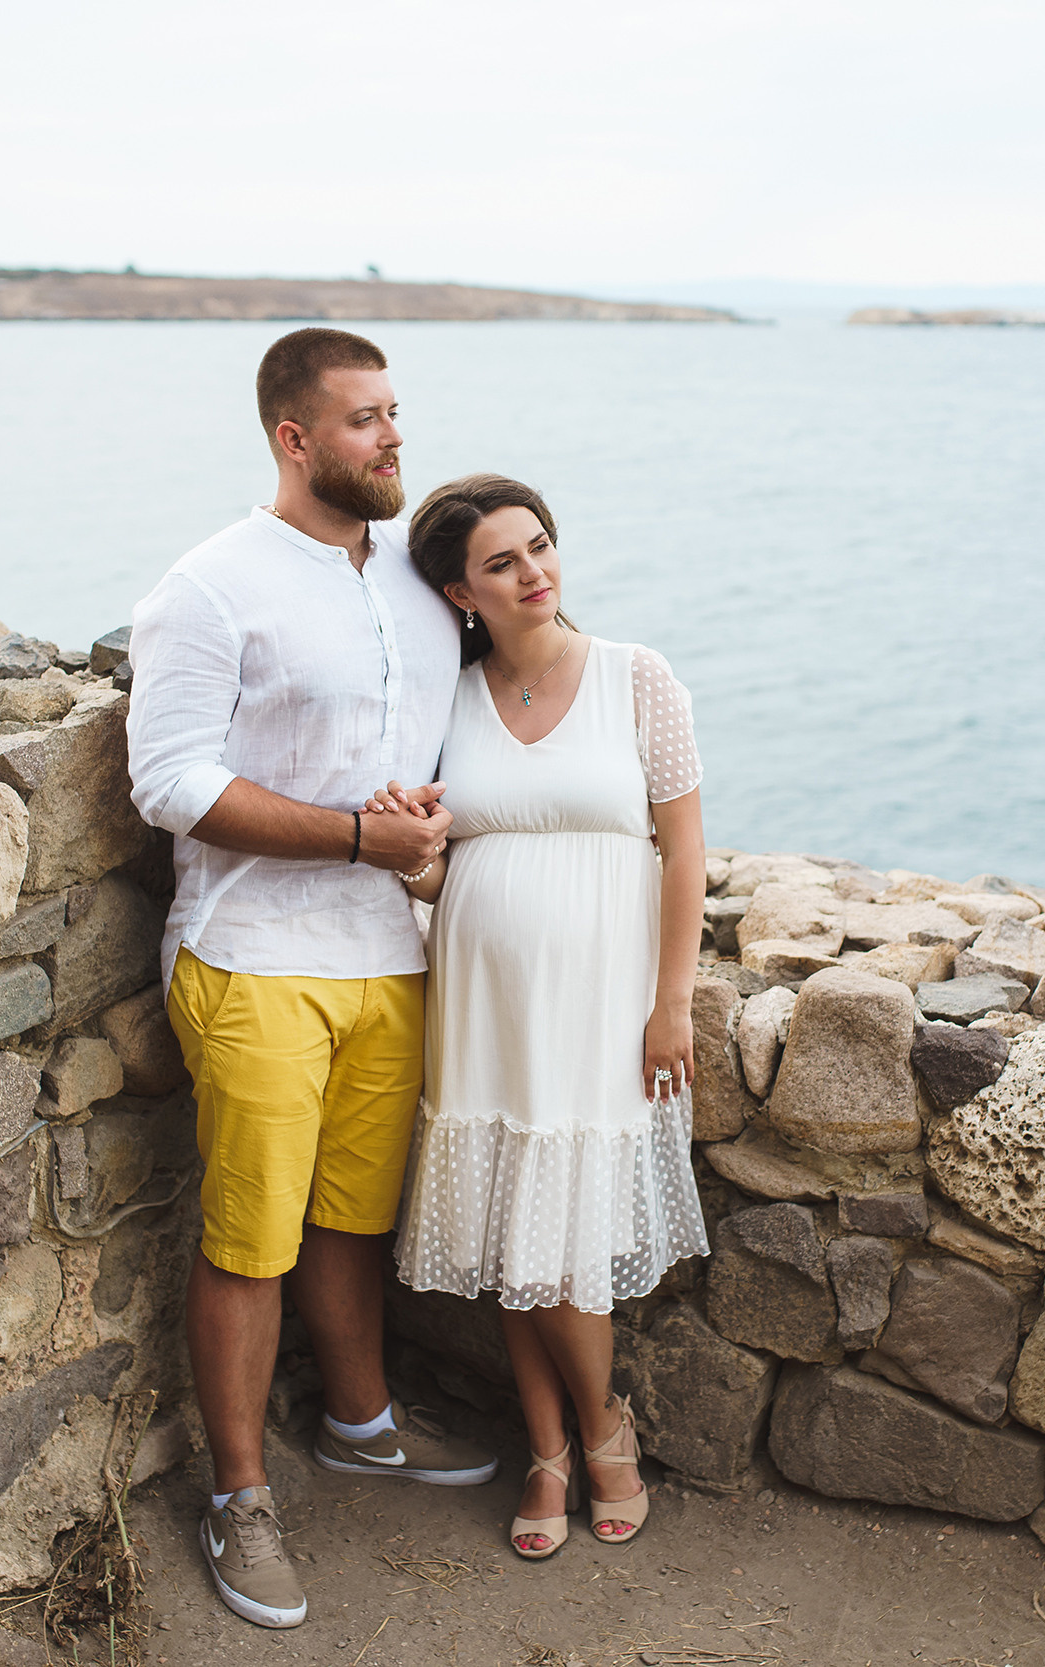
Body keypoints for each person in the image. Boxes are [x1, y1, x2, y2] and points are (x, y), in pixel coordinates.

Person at [123, 328, 497, 1632]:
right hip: (256, 957)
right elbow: (170, 780)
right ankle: (239, 1495)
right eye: (363, 419)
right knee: (250, 1241)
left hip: (391, 955)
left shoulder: (420, 579)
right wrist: (354, 836)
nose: (393, 438)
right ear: (294, 438)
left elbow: (452, 735)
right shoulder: (209, 587)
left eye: (395, 412)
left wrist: (430, 828)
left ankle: (361, 1420)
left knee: (350, 1219)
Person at [364, 473, 710, 1560]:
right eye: (502, 562)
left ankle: (601, 1428)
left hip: (602, 1001)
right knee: (514, 1227)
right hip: (483, 1000)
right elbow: (439, 873)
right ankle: (552, 1447)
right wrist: (407, 850)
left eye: (541, 546)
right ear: (460, 593)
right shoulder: (450, 699)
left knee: (558, 1248)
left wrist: (671, 1002)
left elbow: (684, 853)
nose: (533, 572)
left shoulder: (636, 677)